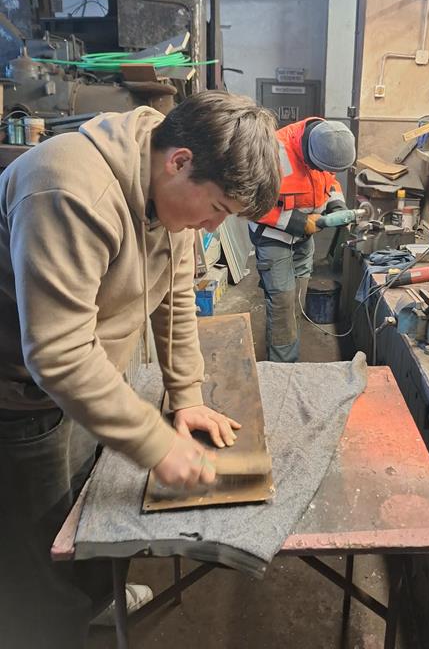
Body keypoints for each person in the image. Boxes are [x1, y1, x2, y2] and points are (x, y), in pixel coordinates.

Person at [0, 91, 281, 648]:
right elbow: (57, 353)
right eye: (217, 209)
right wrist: (157, 444)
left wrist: (186, 395)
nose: (211, 226)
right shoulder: (69, 189)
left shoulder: (166, 193)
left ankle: (91, 604)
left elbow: (176, 297)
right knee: (38, 557)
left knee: (88, 517)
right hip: (20, 396)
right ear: (180, 161)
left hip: (84, 382)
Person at [249, 117, 356, 362]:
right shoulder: (270, 152)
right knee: (283, 303)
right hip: (274, 237)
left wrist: (337, 205)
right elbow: (252, 203)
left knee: (297, 297)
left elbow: (330, 181)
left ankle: (289, 350)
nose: (322, 171)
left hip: (304, 238)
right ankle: (282, 368)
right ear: (308, 154)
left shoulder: (328, 144)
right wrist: (299, 222)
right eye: (319, 167)